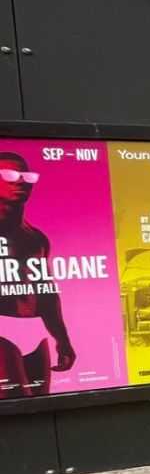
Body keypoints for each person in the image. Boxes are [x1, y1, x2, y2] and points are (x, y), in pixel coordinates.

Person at [0, 152, 73, 398]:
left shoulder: (36, 238)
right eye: (9, 175)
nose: (20, 181)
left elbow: (47, 292)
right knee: (15, 402)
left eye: (25, 176)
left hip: (34, 329)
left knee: (41, 402)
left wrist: (62, 339)